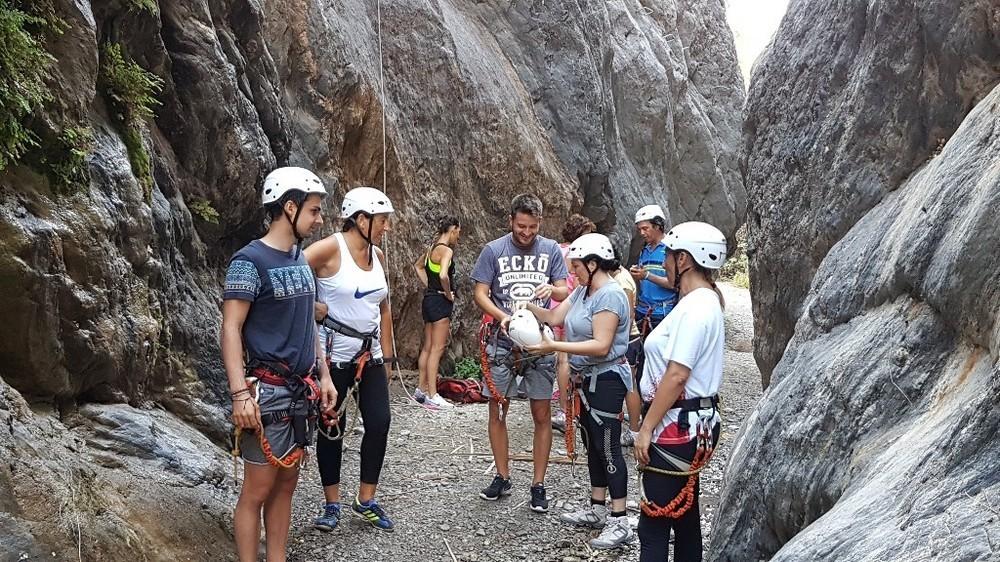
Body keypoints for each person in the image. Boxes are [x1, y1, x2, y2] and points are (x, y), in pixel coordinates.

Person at [222, 166, 338, 562]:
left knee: (287, 483)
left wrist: (323, 374)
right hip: (267, 392)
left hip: (299, 392)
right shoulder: (248, 262)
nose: (319, 219)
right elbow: (231, 328)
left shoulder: (299, 260)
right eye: (314, 210)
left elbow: (308, 323)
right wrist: (240, 395)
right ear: (289, 208)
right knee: (256, 489)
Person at [521, 233, 634, 549]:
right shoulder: (584, 290)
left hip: (607, 379)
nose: (573, 274)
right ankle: (598, 508)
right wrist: (525, 306)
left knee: (609, 444)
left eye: (577, 267)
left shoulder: (610, 296)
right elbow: (555, 316)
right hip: (588, 379)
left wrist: (553, 346)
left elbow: (601, 344)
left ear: (593, 263)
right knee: (593, 444)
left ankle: (619, 517)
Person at [634, 221, 728, 562]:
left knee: (653, 523)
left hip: (677, 424)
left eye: (669, 257)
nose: (666, 264)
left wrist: (645, 430)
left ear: (684, 260)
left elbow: (676, 375)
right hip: (692, 421)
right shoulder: (703, 303)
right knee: (684, 516)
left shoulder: (697, 308)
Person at [306, 186, 398, 532]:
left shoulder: (378, 257)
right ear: (361, 220)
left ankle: (366, 499)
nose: (386, 227)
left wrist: (387, 357)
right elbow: (290, 271)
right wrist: (310, 307)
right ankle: (332, 504)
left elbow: (383, 307)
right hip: (333, 359)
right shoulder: (331, 248)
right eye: (382, 221)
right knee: (332, 430)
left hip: (369, 356)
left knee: (379, 423)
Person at [470, 193, 569, 512]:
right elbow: (480, 292)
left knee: (541, 414)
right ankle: (502, 475)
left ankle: (538, 484)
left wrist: (551, 290)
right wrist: (502, 317)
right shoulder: (493, 250)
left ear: (540, 223)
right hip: (501, 342)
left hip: (539, 343)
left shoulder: (551, 249)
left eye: (533, 226)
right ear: (511, 220)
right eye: (521, 226)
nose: (526, 232)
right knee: (497, 411)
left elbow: (564, 289)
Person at [550, 214, 595, 433]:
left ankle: (562, 403)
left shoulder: (556, 249)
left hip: (555, 305)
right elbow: (577, 284)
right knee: (568, 358)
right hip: (572, 306)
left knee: (560, 358)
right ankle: (567, 408)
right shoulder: (579, 255)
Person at [413, 216, 461, 410]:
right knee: (437, 348)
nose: (459, 236)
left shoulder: (431, 249)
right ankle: (433, 394)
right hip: (440, 302)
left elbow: (418, 266)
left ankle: (421, 390)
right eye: (458, 232)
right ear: (453, 230)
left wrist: (430, 286)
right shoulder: (447, 250)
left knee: (427, 347)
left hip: (429, 300)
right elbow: (443, 274)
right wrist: (448, 294)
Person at [628, 205, 678, 378]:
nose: (642, 233)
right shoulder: (645, 250)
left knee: (660, 358)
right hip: (643, 311)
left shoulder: (670, 250)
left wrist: (647, 275)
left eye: (645, 228)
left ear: (658, 226)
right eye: (639, 229)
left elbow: (674, 284)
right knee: (641, 359)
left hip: (662, 312)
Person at [612, 259, 642, 447]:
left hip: (627, 340)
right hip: (627, 339)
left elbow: (628, 315)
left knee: (629, 385)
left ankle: (634, 430)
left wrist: (617, 342)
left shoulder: (622, 281)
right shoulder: (621, 276)